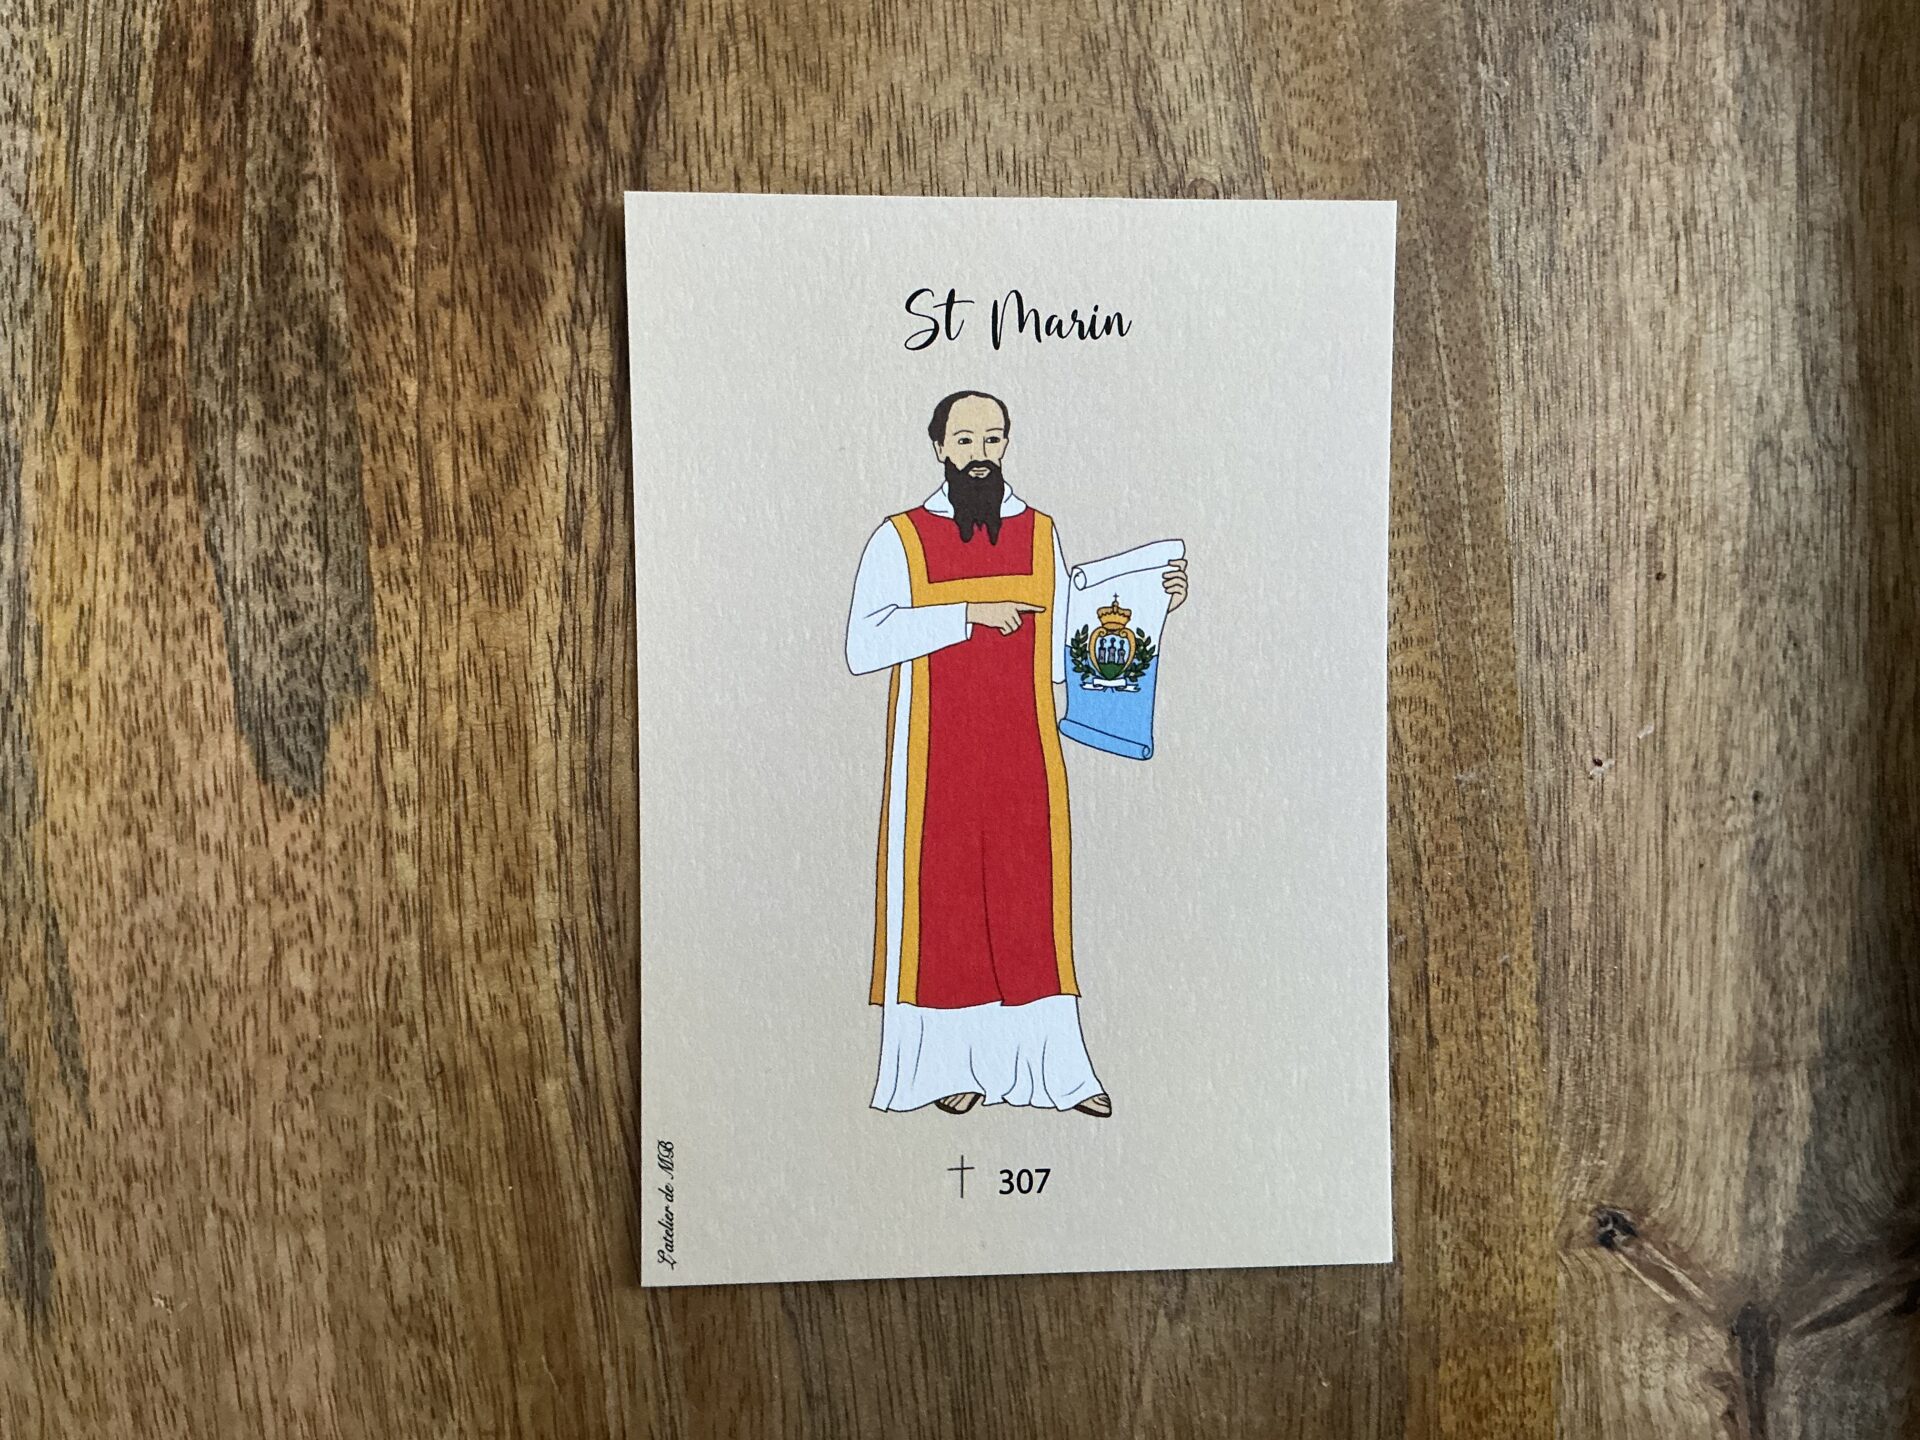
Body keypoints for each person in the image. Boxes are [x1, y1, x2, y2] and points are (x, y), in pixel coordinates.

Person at [845, 391, 1188, 1117]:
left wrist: (1152, 600)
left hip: (1024, 753)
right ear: (939, 447)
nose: (980, 454)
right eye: (965, 440)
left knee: (1028, 901)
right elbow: (863, 643)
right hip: (934, 757)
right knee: (945, 906)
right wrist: (967, 613)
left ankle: (1057, 1074)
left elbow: (1070, 636)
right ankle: (948, 1070)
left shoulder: (1039, 533)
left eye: (993, 439)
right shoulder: (901, 538)